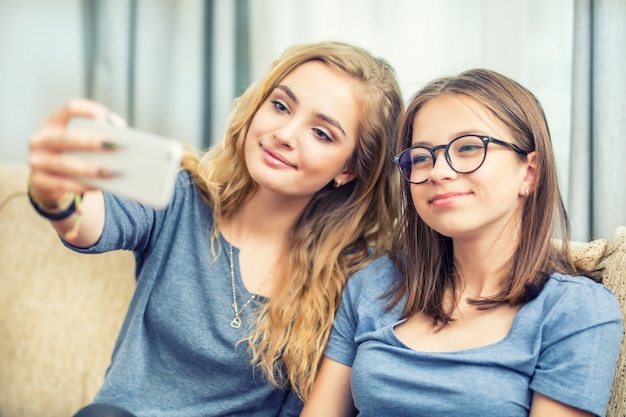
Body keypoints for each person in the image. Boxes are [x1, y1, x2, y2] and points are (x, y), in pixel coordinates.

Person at [27, 41, 404, 417]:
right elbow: (86, 223)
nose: (285, 134)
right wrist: (56, 194)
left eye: (321, 133)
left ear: (348, 170)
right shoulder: (181, 197)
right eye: (280, 106)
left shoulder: (355, 279)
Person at [301, 68, 623, 417]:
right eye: (422, 157)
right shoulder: (374, 284)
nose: (439, 172)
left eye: (469, 147)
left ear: (530, 172)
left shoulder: (576, 310)